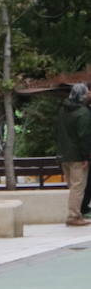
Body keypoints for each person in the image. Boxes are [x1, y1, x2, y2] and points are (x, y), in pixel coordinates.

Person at [54, 83, 91, 227]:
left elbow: (56, 131)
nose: (89, 94)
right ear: (83, 95)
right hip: (77, 156)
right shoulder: (83, 113)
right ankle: (74, 216)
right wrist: (86, 156)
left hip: (64, 154)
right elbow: (84, 136)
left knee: (72, 186)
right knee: (78, 187)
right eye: (87, 92)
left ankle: (75, 214)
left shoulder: (62, 110)